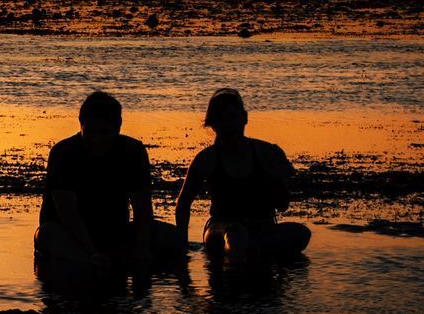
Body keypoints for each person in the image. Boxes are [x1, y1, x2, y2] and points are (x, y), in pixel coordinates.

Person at [35, 90, 181, 277]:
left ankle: (114, 260)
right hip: (68, 234)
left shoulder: (132, 151)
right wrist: (91, 252)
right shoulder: (63, 153)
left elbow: (142, 208)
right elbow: (68, 213)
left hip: (115, 232)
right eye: (90, 132)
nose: (96, 139)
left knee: (173, 237)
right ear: (81, 125)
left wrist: (142, 249)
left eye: (104, 132)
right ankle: (91, 261)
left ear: (118, 128)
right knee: (47, 233)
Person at [175, 88, 311, 263]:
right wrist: (181, 245)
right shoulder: (207, 158)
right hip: (220, 228)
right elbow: (184, 202)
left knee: (301, 233)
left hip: (261, 227)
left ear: (244, 118)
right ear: (213, 124)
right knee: (236, 235)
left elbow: (283, 205)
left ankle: (254, 251)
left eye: (233, 117)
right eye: (221, 119)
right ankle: (240, 262)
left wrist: (275, 176)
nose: (229, 124)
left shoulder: (266, 152)